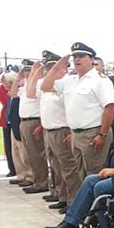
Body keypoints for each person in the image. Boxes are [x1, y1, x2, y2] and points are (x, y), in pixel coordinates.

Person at [41, 42, 114, 179]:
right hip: (76, 134)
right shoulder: (70, 80)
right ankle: (87, 201)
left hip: (93, 132)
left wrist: (102, 134)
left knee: (94, 174)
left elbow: (109, 107)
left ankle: (98, 201)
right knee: (81, 174)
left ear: (92, 59)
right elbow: (45, 86)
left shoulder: (100, 80)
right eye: (74, 57)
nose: (77, 60)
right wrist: (57, 66)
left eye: (81, 56)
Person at [29, 51, 81, 211]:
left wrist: (71, 132)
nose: (49, 70)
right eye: (48, 67)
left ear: (64, 67)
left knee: (68, 169)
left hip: (62, 130)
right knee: (56, 167)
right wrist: (36, 71)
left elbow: (73, 109)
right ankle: (62, 195)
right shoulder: (50, 83)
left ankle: (73, 201)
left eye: (53, 66)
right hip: (49, 130)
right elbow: (30, 93)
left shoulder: (67, 82)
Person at [17, 56, 50, 194]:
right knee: (31, 154)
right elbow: (13, 93)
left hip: (35, 121)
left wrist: (36, 72)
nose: (26, 73)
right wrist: (19, 77)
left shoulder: (40, 83)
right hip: (25, 121)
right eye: (25, 70)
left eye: (29, 70)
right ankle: (38, 180)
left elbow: (35, 98)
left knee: (37, 155)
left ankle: (42, 182)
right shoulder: (27, 84)